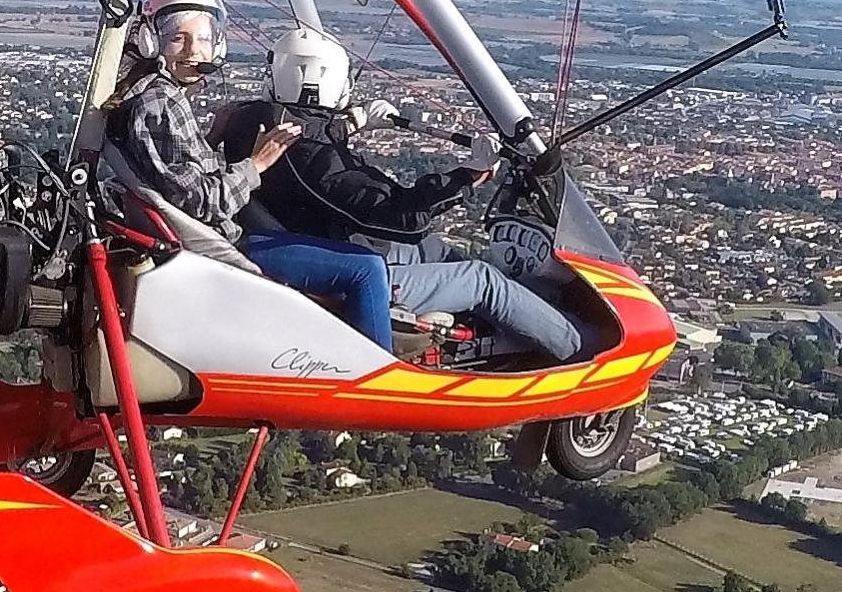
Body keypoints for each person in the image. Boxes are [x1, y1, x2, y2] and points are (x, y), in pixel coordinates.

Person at [217, 26, 583, 362]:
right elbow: (398, 216)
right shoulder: (308, 152)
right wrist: (466, 177)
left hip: (311, 242)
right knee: (482, 280)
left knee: (433, 249)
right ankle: (580, 350)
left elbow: (313, 135)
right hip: (338, 265)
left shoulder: (258, 123)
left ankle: (530, 319)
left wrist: (356, 120)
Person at [104, 0, 397, 349]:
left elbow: (175, 175)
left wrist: (212, 137)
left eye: (204, 39)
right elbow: (201, 202)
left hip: (217, 236)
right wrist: (255, 165)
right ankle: (385, 377)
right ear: (151, 41)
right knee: (367, 268)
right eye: (179, 38)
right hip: (230, 245)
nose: (195, 51)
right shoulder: (161, 102)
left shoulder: (146, 93)